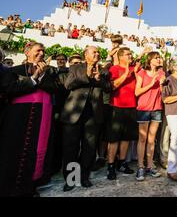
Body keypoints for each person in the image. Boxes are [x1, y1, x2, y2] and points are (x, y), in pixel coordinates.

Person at [0, 42, 59, 196]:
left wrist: (43, 74)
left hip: (43, 117)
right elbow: (9, 89)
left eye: (43, 51)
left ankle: (31, 187)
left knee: (38, 151)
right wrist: (33, 78)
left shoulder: (51, 72)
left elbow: (56, 88)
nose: (41, 53)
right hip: (19, 117)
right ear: (27, 52)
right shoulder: (14, 70)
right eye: (38, 50)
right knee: (15, 153)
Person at [61, 46, 111, 191]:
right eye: (94, 52)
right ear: (86, 54)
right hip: (74, 114)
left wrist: (98, 79)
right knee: (71, 147)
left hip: (93, 115)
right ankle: (71, 178)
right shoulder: (75, 68)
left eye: (98, 52)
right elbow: (68, 85)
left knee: (89, 148)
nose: (97, 53)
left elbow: (108, 88)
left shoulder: (104, 71)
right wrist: (86, 76)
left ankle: (84, 176)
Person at [106, 47, 139, 180]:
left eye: (131, 54)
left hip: (131, 107)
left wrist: (133, 72)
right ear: (120, 57)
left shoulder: (134, 70)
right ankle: (111, 165)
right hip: (116, 107)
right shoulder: (114, 69)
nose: (130, 56)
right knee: (114, 139)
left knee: (126, 138)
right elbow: (113, 86)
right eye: (127, 54)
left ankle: (122, 163)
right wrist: (125, 73)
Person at [134, 52, 165, 181]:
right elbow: (137, 92)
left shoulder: (162, 74)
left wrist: (161, 84)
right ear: (150, 60)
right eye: (156, 58)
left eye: (159, 57)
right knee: (142, 139)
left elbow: (163, 93)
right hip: (144, 108)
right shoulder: (142, 72)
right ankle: (140, 167)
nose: (158, 59)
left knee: (152, 139)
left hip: (157, 108)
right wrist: (151, 84)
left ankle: (150, 166)